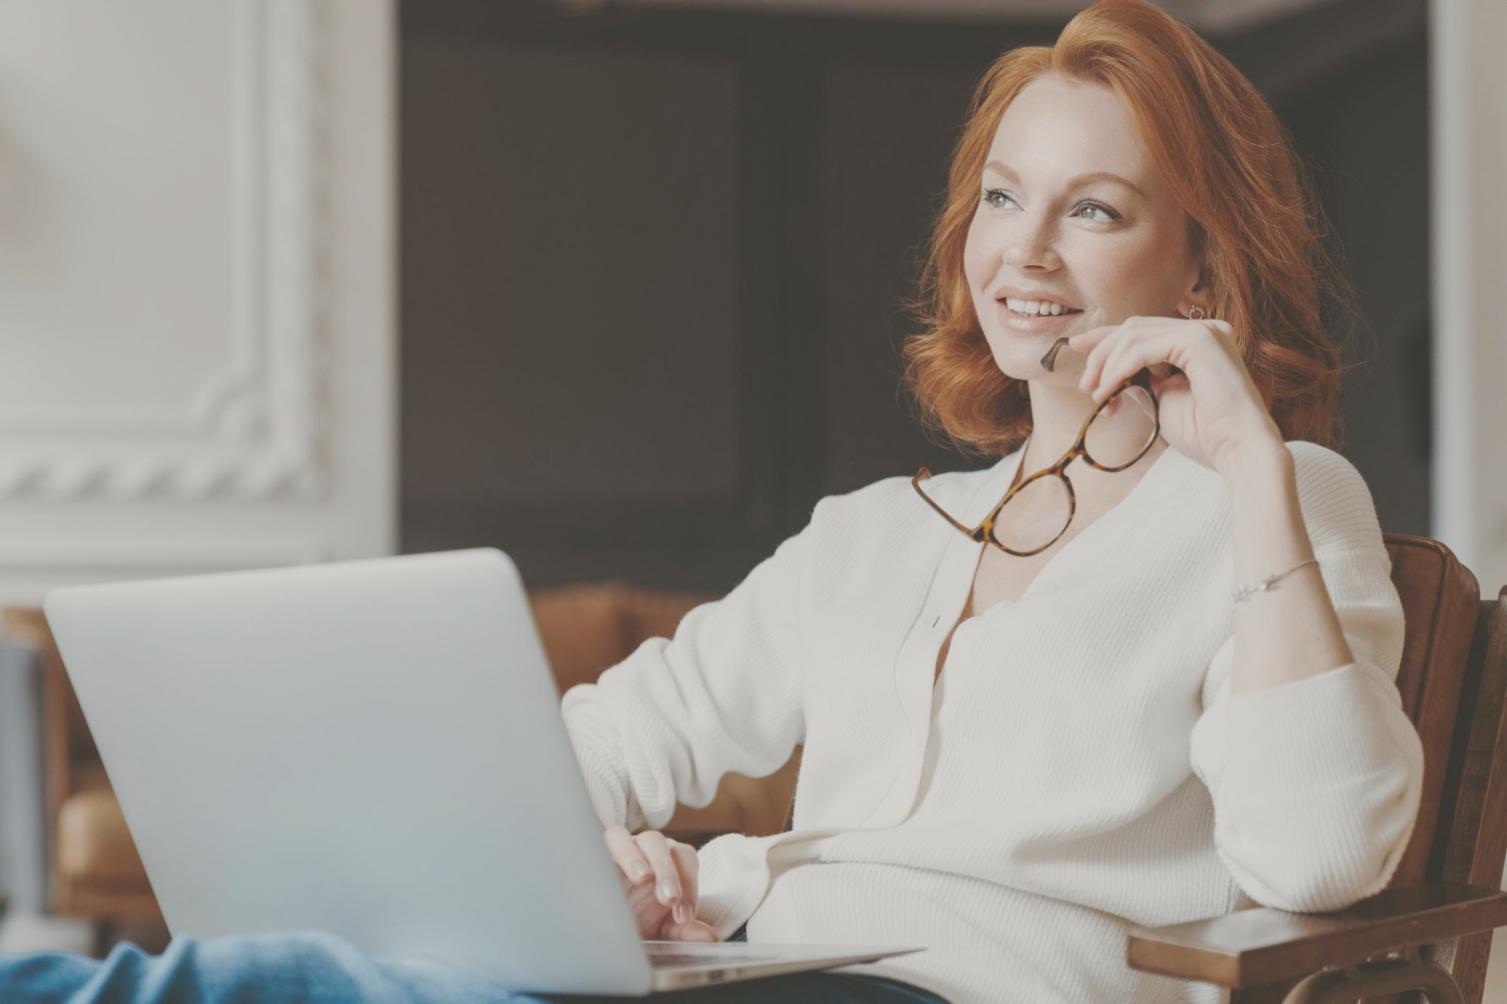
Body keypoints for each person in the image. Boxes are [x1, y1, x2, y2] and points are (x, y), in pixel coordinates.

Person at [0, 1, 1423, 1001]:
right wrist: (581, 855)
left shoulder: (1279, 503)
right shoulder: (876, 531)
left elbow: (1319, 855)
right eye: (1001, 197)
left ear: (1199, 267)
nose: (1024, 251)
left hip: (973, 992)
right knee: (240, 982)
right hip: (745, 964)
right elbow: (626, 730)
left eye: (1094, 208)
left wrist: (1243, 463)